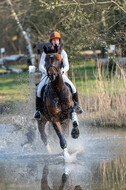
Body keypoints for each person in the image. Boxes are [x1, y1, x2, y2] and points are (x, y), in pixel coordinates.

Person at [34, 31, 83, 120]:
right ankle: (37, 111)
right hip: (47, 74)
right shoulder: (46, 52)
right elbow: (41, 65)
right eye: (53, 40)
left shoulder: (62, 52)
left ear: (59, 41)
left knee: (73, 87)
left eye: (57, 40)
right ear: (51, 41)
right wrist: (45, 72)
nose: (55, 41)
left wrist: (62, 71)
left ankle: (77, 106)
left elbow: (67, 65)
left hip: (60, 74)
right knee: (39, 89)